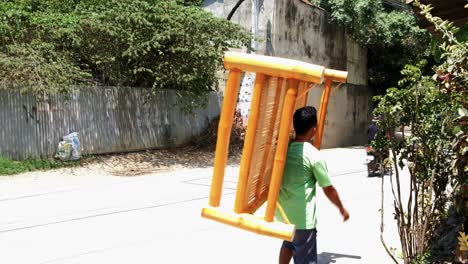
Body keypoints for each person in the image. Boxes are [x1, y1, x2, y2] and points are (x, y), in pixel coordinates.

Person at [276, 106, 349, 264]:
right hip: (303, 220)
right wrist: (341, 208)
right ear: (314, 129)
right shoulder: (314, 156)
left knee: (289, 243)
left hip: (283, 215)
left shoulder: (284, 150)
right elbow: (328, 189)